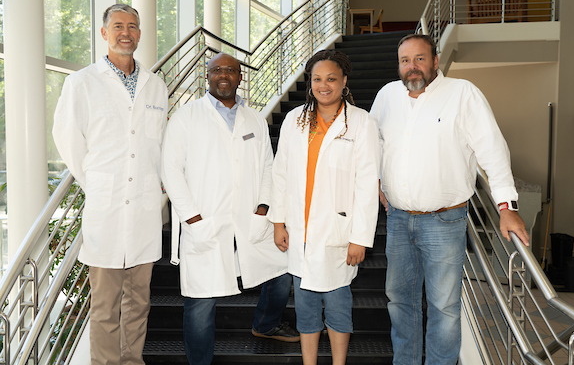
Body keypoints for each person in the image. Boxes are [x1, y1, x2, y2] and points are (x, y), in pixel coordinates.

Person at [369, 34, 530, 365]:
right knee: (399, 301)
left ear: (435, 61)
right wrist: (378, 181)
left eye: (419, 59)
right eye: (404, 60)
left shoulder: (463, 94)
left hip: (445, 221)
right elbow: (374, 144)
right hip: (398, 219)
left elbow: (493, 152)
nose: (412, 67)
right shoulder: (387, 96)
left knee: (444, 306)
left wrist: (507, 208)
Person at [161, 52, 297, 365]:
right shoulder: (187, 116)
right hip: (204, 221)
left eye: (231, 70)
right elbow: (170, 170)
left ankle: (265, 324)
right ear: (207, 76)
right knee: (200, 302)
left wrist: (263, 206)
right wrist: (193, 218)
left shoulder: (255, 119)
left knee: (281, 271)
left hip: (252, 218)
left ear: (240, 77)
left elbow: (267, 165)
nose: (224, 74)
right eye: (217, 69)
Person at [52, 4, 168, 365]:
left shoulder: (156, 84)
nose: (126, 33)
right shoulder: (82, 82)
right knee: (104, 306)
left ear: (139, 33)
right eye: (118, 26)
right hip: (106, 209)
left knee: (139, 304)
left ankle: (132, 361)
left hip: (145, 212)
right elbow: (68, 139)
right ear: (104, 33)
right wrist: (98, 184)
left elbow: (159, 145)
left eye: (133, 26)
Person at [269, 50, 380, 365]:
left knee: (338, 304)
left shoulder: (360, 122)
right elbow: (280, 174)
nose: (324, 85)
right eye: (317, 79)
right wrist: (278, 223)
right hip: (299, 229)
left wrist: (361, 237)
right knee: (304, 306)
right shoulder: (294, 120)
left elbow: (367, 183)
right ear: (310, 83)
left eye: (331, 78)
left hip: (338, 232)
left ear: (344, 81)